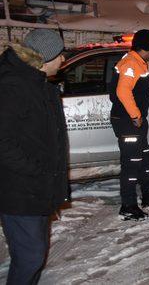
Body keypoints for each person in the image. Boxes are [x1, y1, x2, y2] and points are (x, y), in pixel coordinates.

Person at [0, 29, 69, 284]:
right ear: (46, 57)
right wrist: (37, 169)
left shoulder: (34, 81)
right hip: (20, 189)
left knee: (34, 255)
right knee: (30, 257)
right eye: (60, 55)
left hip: (36, 188)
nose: (63, 61)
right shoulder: (13, 85)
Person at [109, 29, 149, 221]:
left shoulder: (137, 61)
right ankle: (128, 206)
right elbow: (122, 92)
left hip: (134, 122)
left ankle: (148, 196)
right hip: (128, 122)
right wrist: (135, 115)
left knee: (145, 158)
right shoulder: (131, 63)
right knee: (132, 163)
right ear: (148, 47)